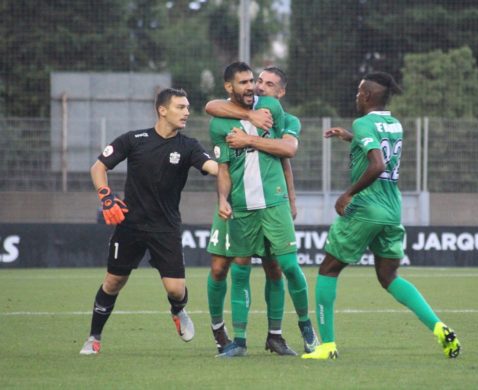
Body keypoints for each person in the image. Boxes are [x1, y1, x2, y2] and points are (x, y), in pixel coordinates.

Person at [301, 72, 461, 360]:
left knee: (328, 269)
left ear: (368, 96)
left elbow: (377, 163)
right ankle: (439, 328)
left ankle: (326, 346)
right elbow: (378, 148)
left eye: (359, 91)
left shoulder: (363, 122)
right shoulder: (394, 124)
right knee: (388, 276)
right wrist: (349, 138)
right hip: (391, 209)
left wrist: (348, 193)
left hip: (366, 207)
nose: (356, 95)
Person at [79, 88, 218, 355]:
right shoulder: (134, 139)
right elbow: (98, 167)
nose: (187, 112)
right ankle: (93, 337)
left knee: (176, 290)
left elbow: (211, 167)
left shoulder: (188, 146)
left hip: (166, 227)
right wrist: (106, 197)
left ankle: (178, 310)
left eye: (188, 107)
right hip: (130, 226)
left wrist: (227, 164)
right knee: (113, 282)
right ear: (162, 110)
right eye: (180, 107)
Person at [209, 62, 318, 358]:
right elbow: (224, 167)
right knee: (238, 269)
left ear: (279, 92)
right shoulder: (220, 122)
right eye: (249, 81)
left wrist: (247, 139)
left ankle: (305, 328)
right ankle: (240, 341)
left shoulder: (274, 110)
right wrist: (223, 199)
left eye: (257, 82)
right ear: (231, 87)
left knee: (287, 267)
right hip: (243, 206)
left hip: (274, 202)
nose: (254, 86)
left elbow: (288, 152)